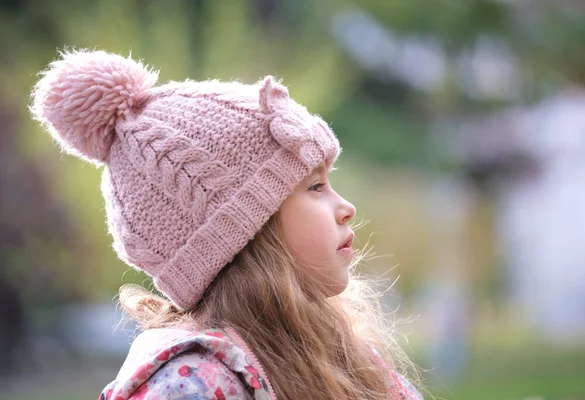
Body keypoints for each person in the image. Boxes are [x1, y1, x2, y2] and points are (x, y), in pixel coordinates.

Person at [30, 49, 423, 400]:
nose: (346, 207)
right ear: (246, 235)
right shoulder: (192, 386)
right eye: (316, 186)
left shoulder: (345, 356)